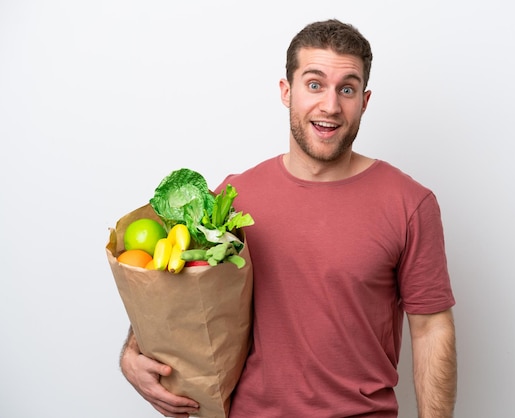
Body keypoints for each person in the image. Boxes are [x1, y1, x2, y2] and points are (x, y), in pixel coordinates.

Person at [120, 19, 457, 418]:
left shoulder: (410, 204)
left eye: (346, 89)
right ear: (287, 92)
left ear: (364, 101)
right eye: (314, 84)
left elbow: (431, 328)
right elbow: (178, 288)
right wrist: (131, 352)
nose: (330, 106)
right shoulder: (231, 200)